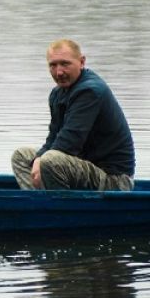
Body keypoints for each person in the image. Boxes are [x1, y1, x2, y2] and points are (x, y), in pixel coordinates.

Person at [11, 39, 135, 191]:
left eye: (65, 64)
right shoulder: (57, 93)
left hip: (113, 179)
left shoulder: (90, 91)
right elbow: (54, 138)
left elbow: (69, 143)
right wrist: (37, 159)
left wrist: (41, 162)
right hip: (83, 168)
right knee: (21, 156)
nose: (59, 72)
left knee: (50, 160)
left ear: (81, 62)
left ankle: (61, 210)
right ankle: (41, 206)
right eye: (53, 65)